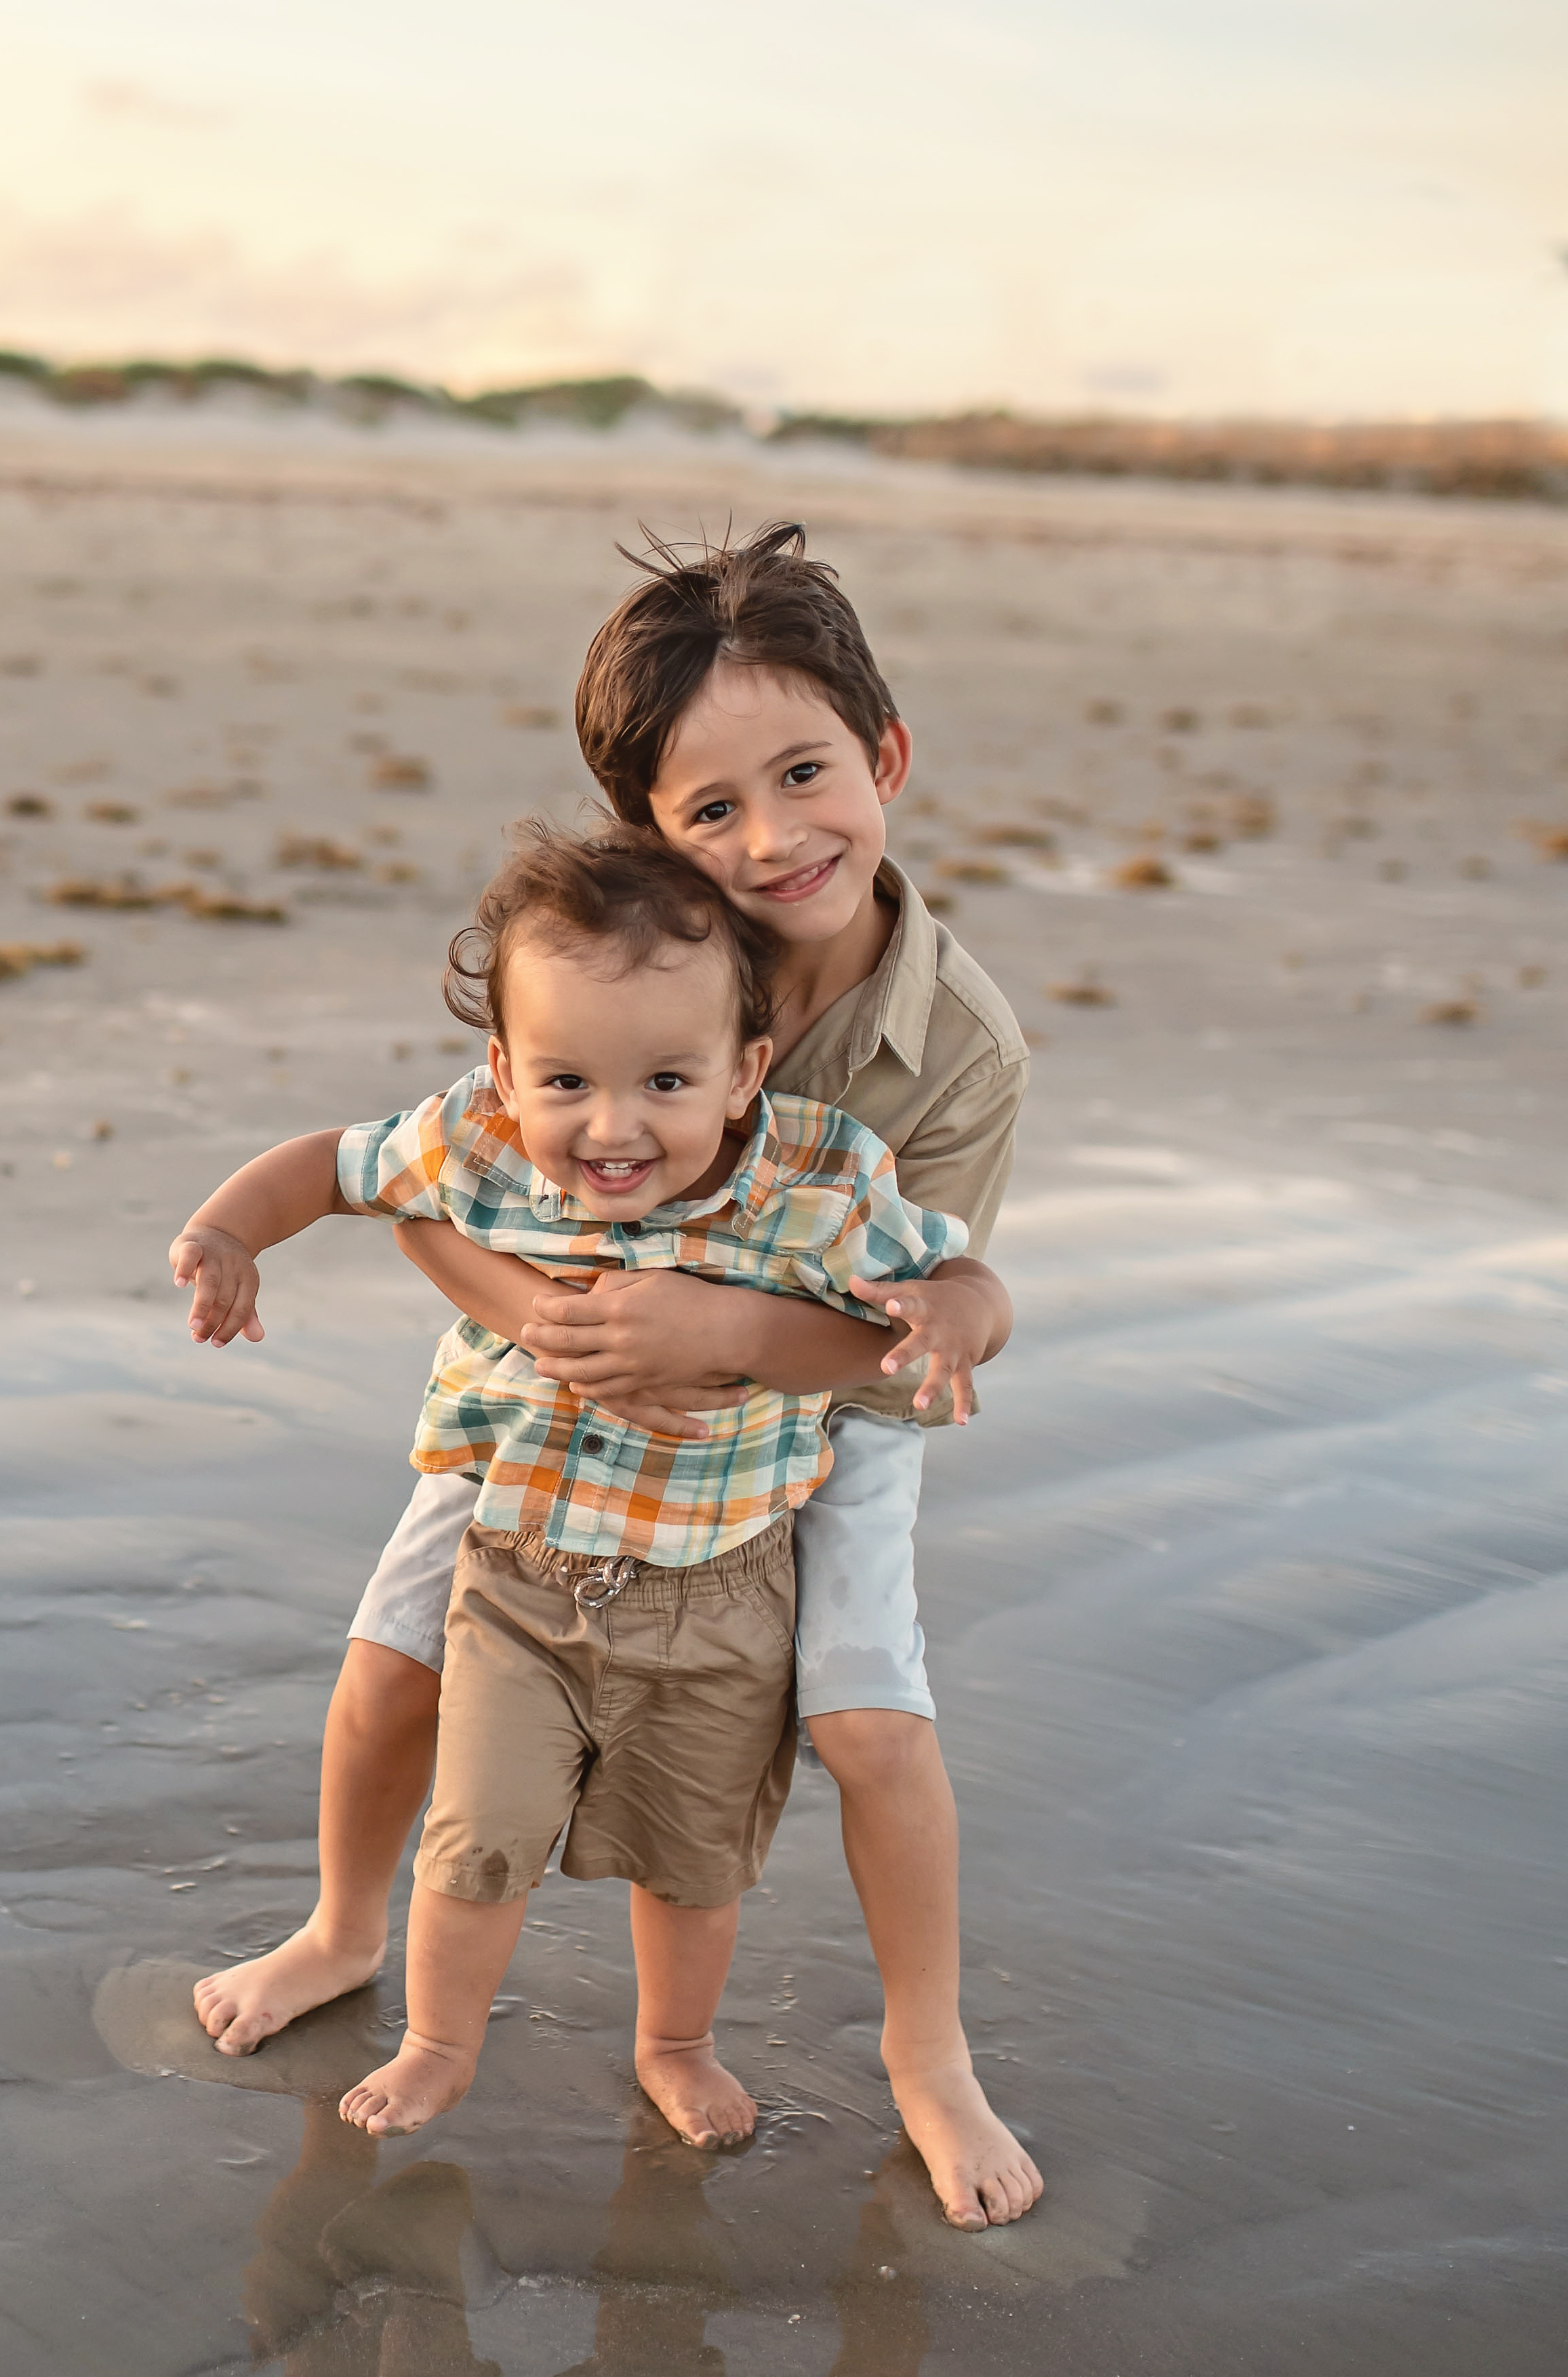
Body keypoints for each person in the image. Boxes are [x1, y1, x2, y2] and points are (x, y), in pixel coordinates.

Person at [193, 521, 1043, 2228]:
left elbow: (909, 1330)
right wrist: (551, 1322)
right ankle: (341, 1929)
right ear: (641, 829)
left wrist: (721, 1340)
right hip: (540, 1370)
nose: (767, 839)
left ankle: (928, 2054)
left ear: (880, 757)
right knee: (390, 1656)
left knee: (868, 1719)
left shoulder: (958, 1051)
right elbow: (431, 1196)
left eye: (802, 775)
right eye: (706, 809)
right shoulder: (602, 947)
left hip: (822, 1391)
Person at [167, 824, 972, 2142]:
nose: (611, 1128)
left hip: (720, 1587)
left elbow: (954, 1278)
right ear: (502, 1072)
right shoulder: (477, 1138)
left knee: (690, 1858)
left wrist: (954, 1316)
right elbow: (332, 1165)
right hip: (519, 1564)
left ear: (741, 1072)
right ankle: (429, 2033)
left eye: (664, 1079)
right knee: (472, 1835)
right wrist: (225, 1231)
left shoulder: (811, 1181)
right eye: (565, 1082)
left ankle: (675, 2043)